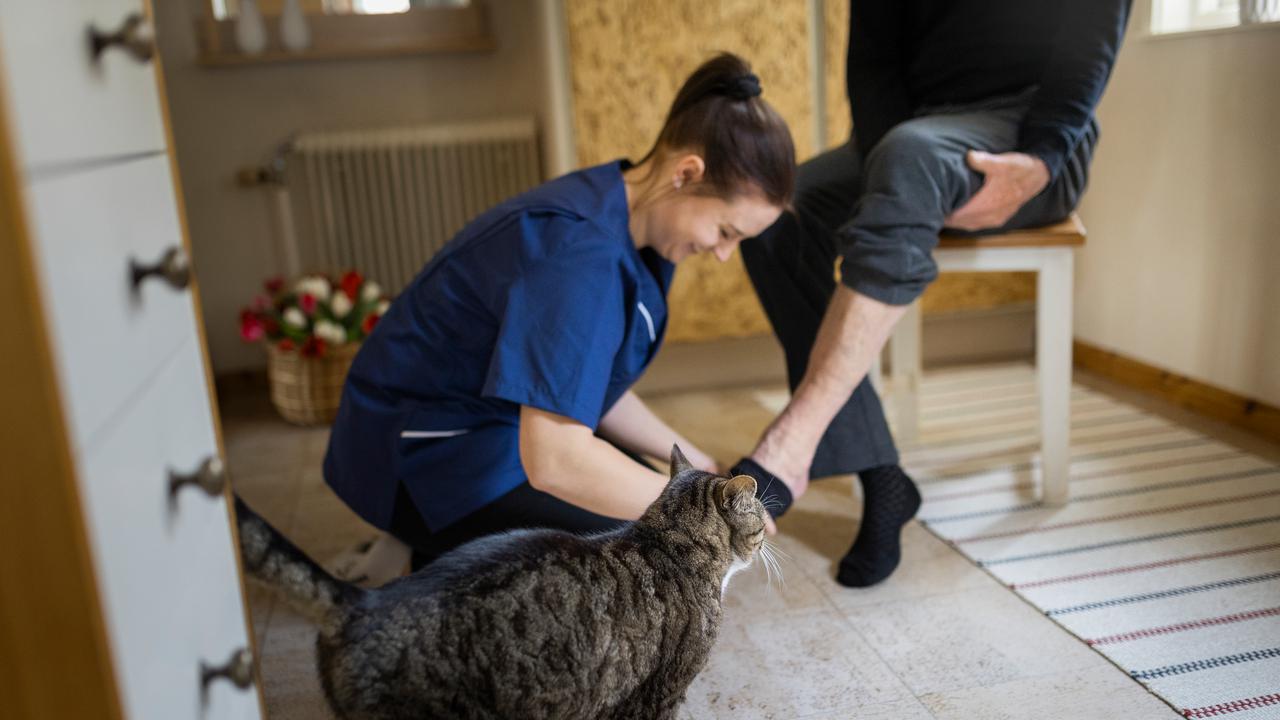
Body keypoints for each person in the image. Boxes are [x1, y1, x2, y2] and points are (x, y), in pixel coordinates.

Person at [323, 53, 795, 569]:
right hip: (421, 460)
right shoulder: (580, 256)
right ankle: (425, 548)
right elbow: (556, 461)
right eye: (726, 232)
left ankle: (448, 548)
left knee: (647, 492)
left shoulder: (626, 213)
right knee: (658, 550)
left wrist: (700, 469)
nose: (723, 253)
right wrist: (710, 514)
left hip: (497, 429)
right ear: (686, 173)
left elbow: (586, 385)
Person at [731, 0, 1134, 588]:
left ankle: (789, 447)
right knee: (775, 217)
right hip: (909, 135)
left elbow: (1089, 43)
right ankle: (882, 477)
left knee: (911, 157)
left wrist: (1043, 156)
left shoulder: (1035, 139)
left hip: (1032, 132)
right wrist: (891, 161)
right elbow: (872, 68)